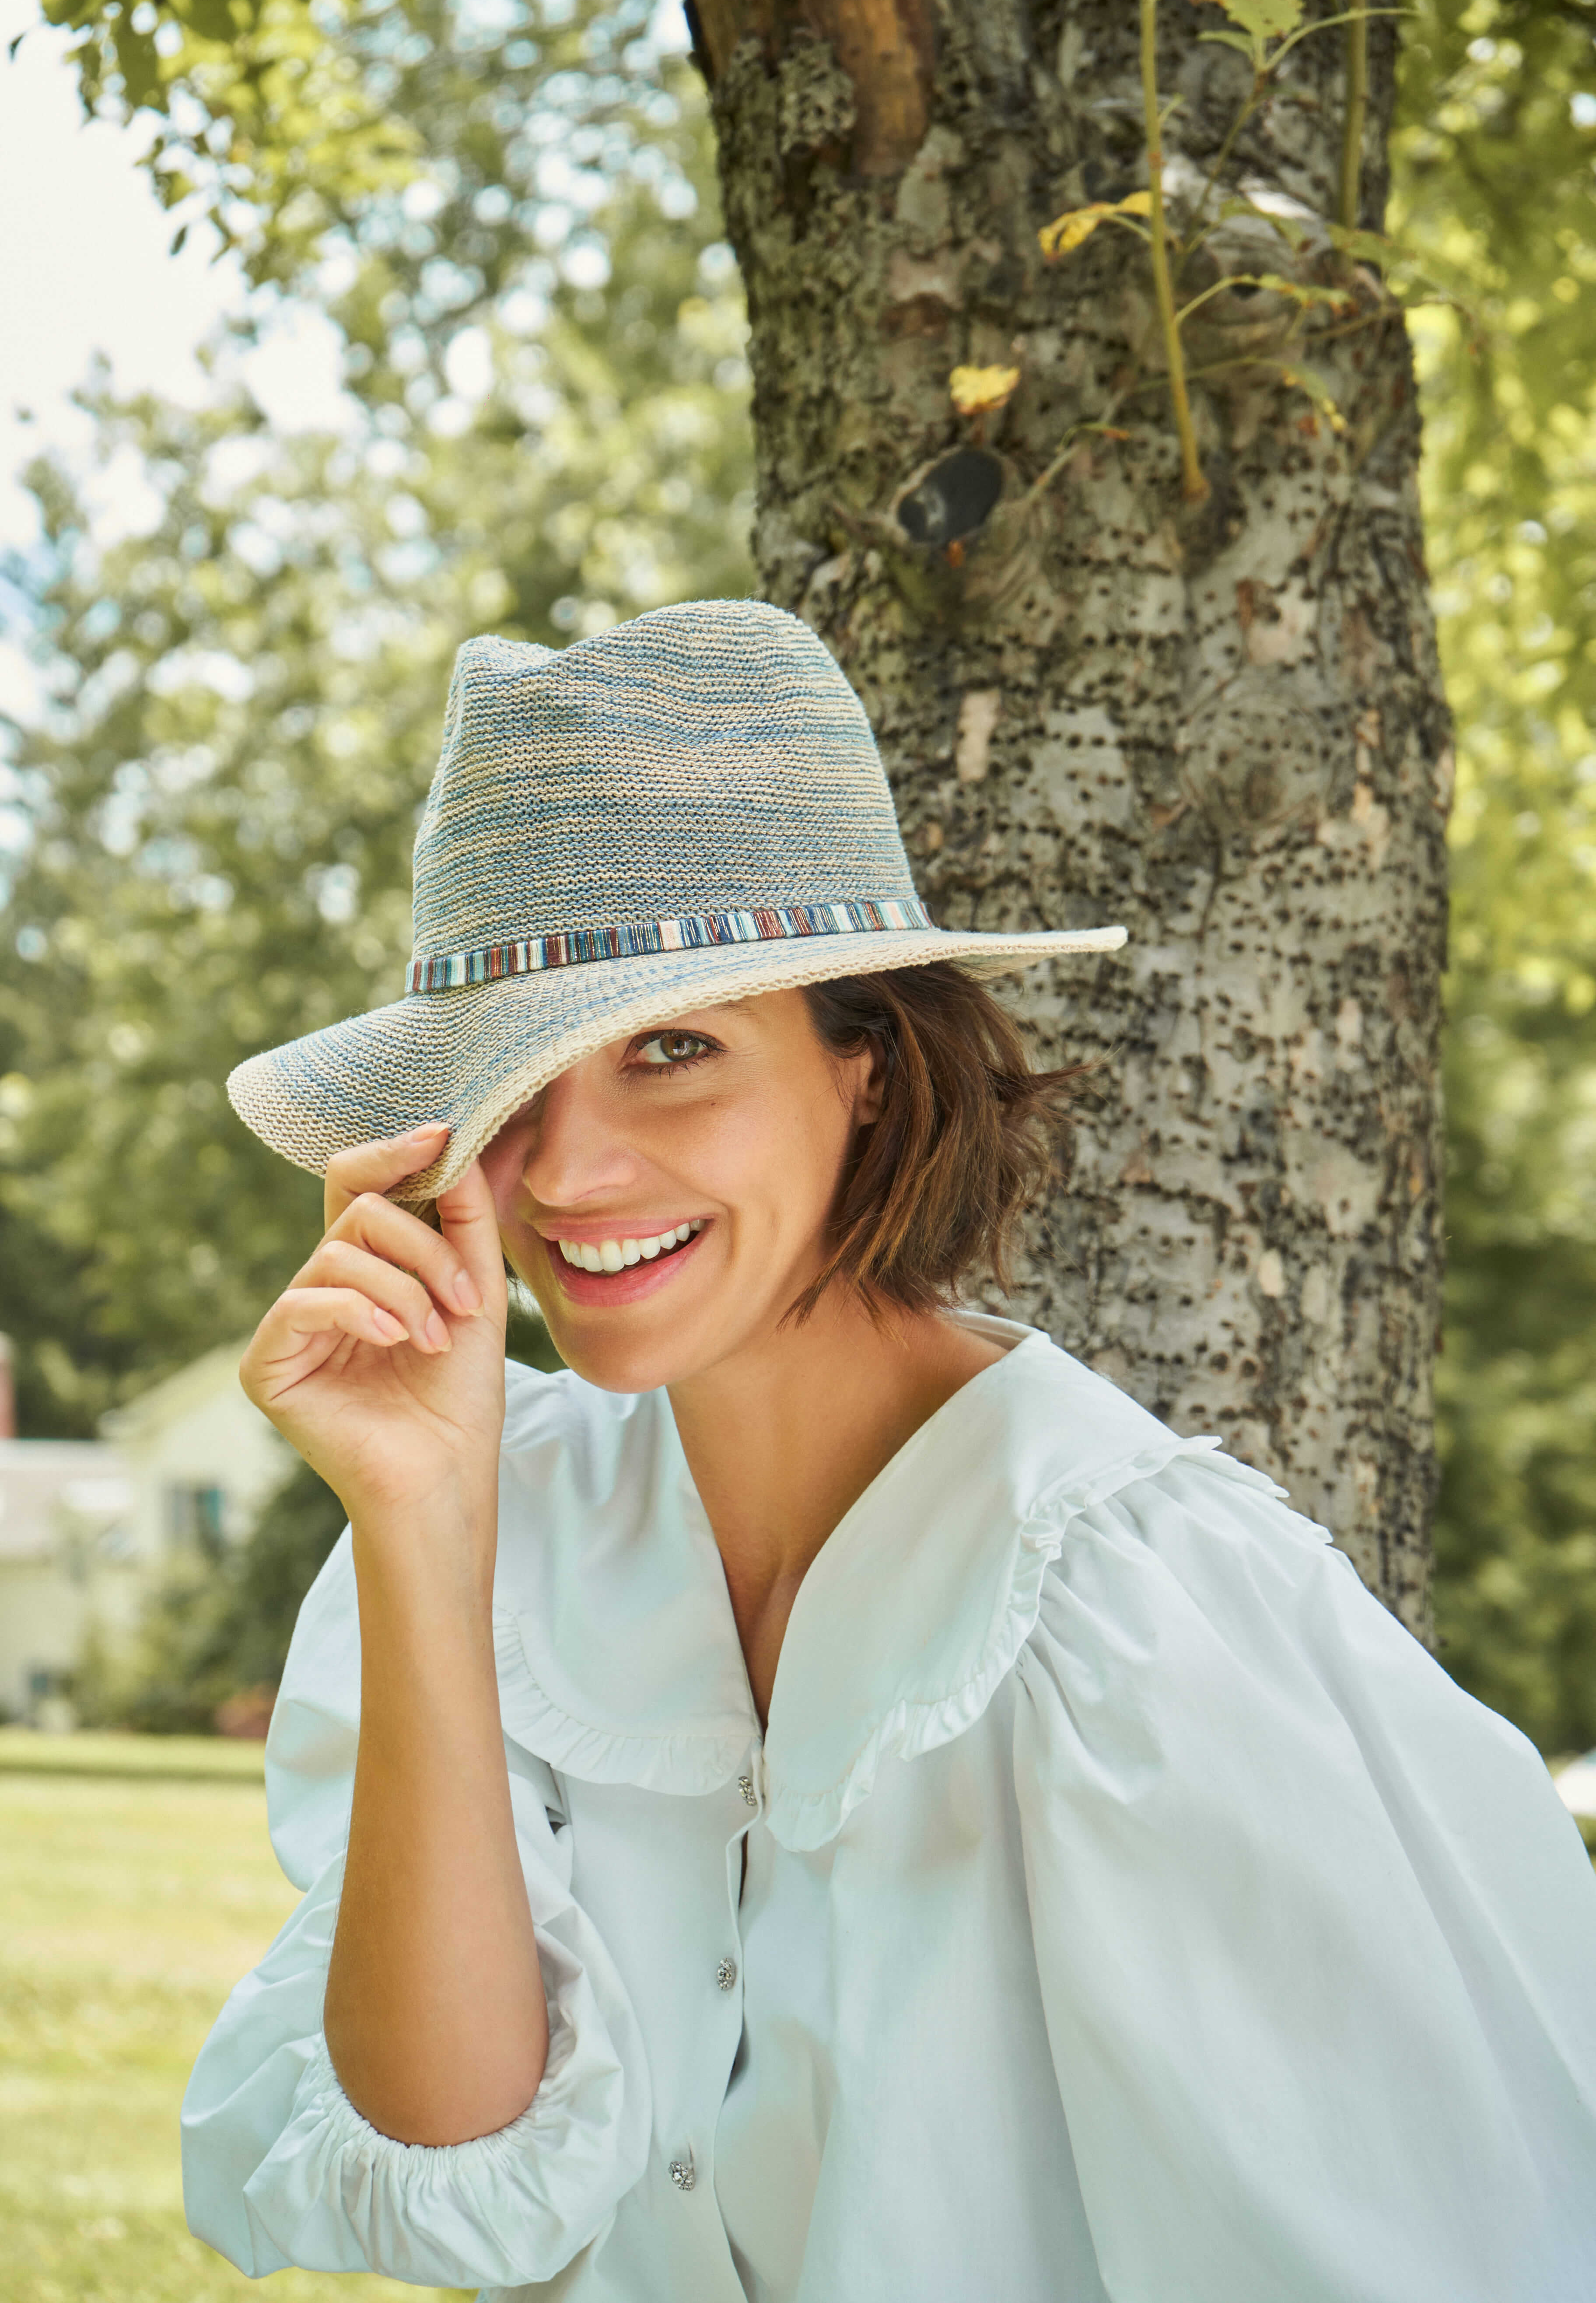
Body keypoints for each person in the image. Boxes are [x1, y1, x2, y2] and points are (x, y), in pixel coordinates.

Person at [182, 599, 1596, 2303]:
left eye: (672, 1050)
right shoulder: (500, 1509)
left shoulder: (1149, 1613)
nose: (563, 1176)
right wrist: (420, 1523)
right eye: (511, 1091)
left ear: (865, 1060)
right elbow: (454, 2172)